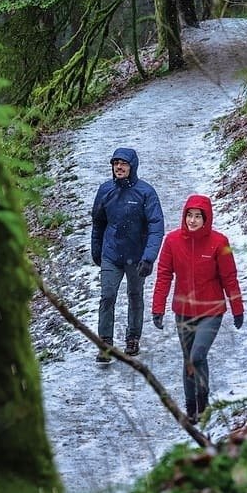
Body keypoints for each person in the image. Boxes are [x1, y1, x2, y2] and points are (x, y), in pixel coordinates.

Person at [151, 193, 244, 422]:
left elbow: (229, 277)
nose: (192, 221)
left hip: (211, 310)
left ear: (207, 218)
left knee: (197, 355)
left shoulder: (219, 242)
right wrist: (158, 307)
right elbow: (163, 275)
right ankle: (192, 407)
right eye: (189, 215)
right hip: (183, 311)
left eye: (197, 216)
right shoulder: (172, 241)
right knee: (189, 360)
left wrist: (237, 308)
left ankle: (203, 400)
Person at [91, 147, 164, 362]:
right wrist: (97, 250)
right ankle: (105, 343)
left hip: (137, 255)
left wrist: (149, 257)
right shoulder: (105, 190)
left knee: (135, 296)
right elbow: (98, 222)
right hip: (111, 253)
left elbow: (156, 225)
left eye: (123, 164)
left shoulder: (145, 192)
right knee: (107, 296)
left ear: (132, 167)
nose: (119, 167)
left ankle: (133, 338)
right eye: (115, 164)